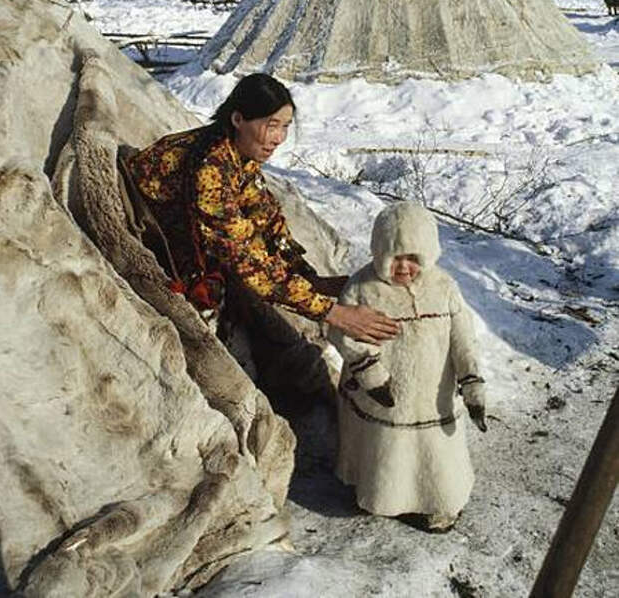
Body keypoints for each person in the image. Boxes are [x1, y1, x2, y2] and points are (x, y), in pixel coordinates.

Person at [124, 72, 399, 344]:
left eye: (285, 126)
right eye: (272, 125)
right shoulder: (211, 168)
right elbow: (242, 259)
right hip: (161, 226)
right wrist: (333, 313)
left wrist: (309, 278)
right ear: (238, 119)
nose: (279, 138)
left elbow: (267, 220)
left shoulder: (240, 154)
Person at [329, 201, 487, 532]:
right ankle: (382, 496)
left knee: (436, 455)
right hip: (383, 393)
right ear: (379, 253)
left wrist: (471, 381)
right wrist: (370, 373)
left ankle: (440, 503)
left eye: (413, 258)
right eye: (395, 257)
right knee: (388, 450)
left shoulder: (444, 287)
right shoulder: (363, 287)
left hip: (434, 395)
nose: (404, 267)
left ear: (428, 255)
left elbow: (463, 338)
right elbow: (343, 332)